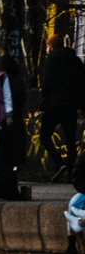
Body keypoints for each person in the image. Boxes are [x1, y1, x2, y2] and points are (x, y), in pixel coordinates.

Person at [42, 35, 85, 170]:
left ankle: (59, 163)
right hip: (71, 106)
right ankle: (73, 171)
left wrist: (45, 95)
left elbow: (47, 83)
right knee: (70, 140)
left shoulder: (51, 60)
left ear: (51, 47)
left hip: (53, 105)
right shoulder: (75, 60)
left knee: (44, 136)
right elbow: (82, 84)